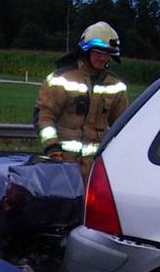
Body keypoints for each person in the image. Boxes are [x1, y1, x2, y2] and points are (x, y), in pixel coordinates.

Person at [34, 21, 129, 181]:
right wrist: (52, 148)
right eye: (98, 52)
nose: (102, 57)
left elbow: (122, 127)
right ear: (86, 50)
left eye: (107, 53)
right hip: (62, 165)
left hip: (95, 170)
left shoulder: (116, 86)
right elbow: (44, 116)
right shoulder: (61, 79)